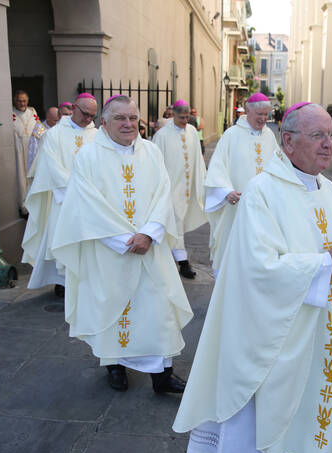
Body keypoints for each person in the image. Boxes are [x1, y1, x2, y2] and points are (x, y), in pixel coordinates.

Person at [173, 103, 332, 453]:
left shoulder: (326, 191)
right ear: (287, 141)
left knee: (315, 399)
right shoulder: (262, 192)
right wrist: (327, 263)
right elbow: (259, 268)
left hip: (324, 324)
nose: (329, 144)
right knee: (276, 394)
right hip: (281, 327)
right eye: (318, 135)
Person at [51, 95, 191, 394]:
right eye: (120, 118)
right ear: (104, 122)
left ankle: (163, 377)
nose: (128, 124)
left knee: (159, 310)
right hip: (109, 252)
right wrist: (122, 240)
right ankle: (115, 367)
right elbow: (85, 205)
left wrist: (150, 234)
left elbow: (163, 194)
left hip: (149, 249)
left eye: (132, 118)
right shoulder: (89, 157)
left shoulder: (152, 152)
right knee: (112, 309)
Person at [21, 94, 98, 297]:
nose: (88, 119)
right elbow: (50, 165)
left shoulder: (98, 136)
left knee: (89, 241)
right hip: (64, 198)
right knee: (63, 237)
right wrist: (75, 188)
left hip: (91, 200)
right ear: (74, 108)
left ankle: (86, 280)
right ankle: (63, 281)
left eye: (92, 116)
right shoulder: (54, 134)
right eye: (85, 113)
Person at [204, 92, 279, 277]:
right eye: (259, 114)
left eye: (266, 114)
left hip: (265, 206)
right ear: (247, 111)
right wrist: (226, 192)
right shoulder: (231, 135)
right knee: (232, 250)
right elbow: (217, 168)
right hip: (236, 205)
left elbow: (279, 165)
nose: (263, 119)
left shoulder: (269, 136)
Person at [152, 99, 206, 279]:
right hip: (171, 187)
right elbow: (156, 163)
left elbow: (198, 157)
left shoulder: (191, 131)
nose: (185, 121)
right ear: (173, 115)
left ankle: (168, 258)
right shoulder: (162, 135)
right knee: (174, 222)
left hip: (188, 186)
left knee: (179, 223)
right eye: (181, 117)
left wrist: (201, 180)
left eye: (187, 117)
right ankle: (183, 262)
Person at [12, 90, 39, 217]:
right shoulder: (10, 113)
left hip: (32, 149)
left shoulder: (32, 112)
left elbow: (39, 129)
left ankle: (35, 203)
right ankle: (23, 205)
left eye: (24, 100)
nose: (22, 103)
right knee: (21, 176)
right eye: (19, 100)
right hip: (19, 150)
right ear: (14, 101)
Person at [26, 106, 60, 182]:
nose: (58, 123)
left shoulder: (59, 128)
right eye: (55, 121)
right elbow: (33, 154)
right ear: (48, 118)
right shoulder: (39, 131)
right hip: (44, 168)